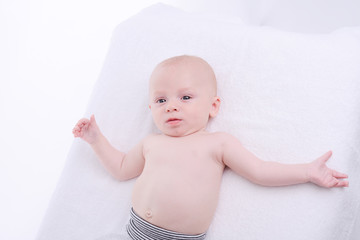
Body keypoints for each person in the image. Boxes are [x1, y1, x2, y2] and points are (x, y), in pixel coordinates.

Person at [72, 55, 349, 240]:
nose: (171, 105)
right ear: (150, 109)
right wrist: (96, 139)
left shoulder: (218, 143)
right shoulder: (151, 143)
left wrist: (306, 172)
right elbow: (120, 169)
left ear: (213, 106)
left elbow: (260, 171)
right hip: (136, 229)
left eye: (186, 96)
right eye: (160, 100)